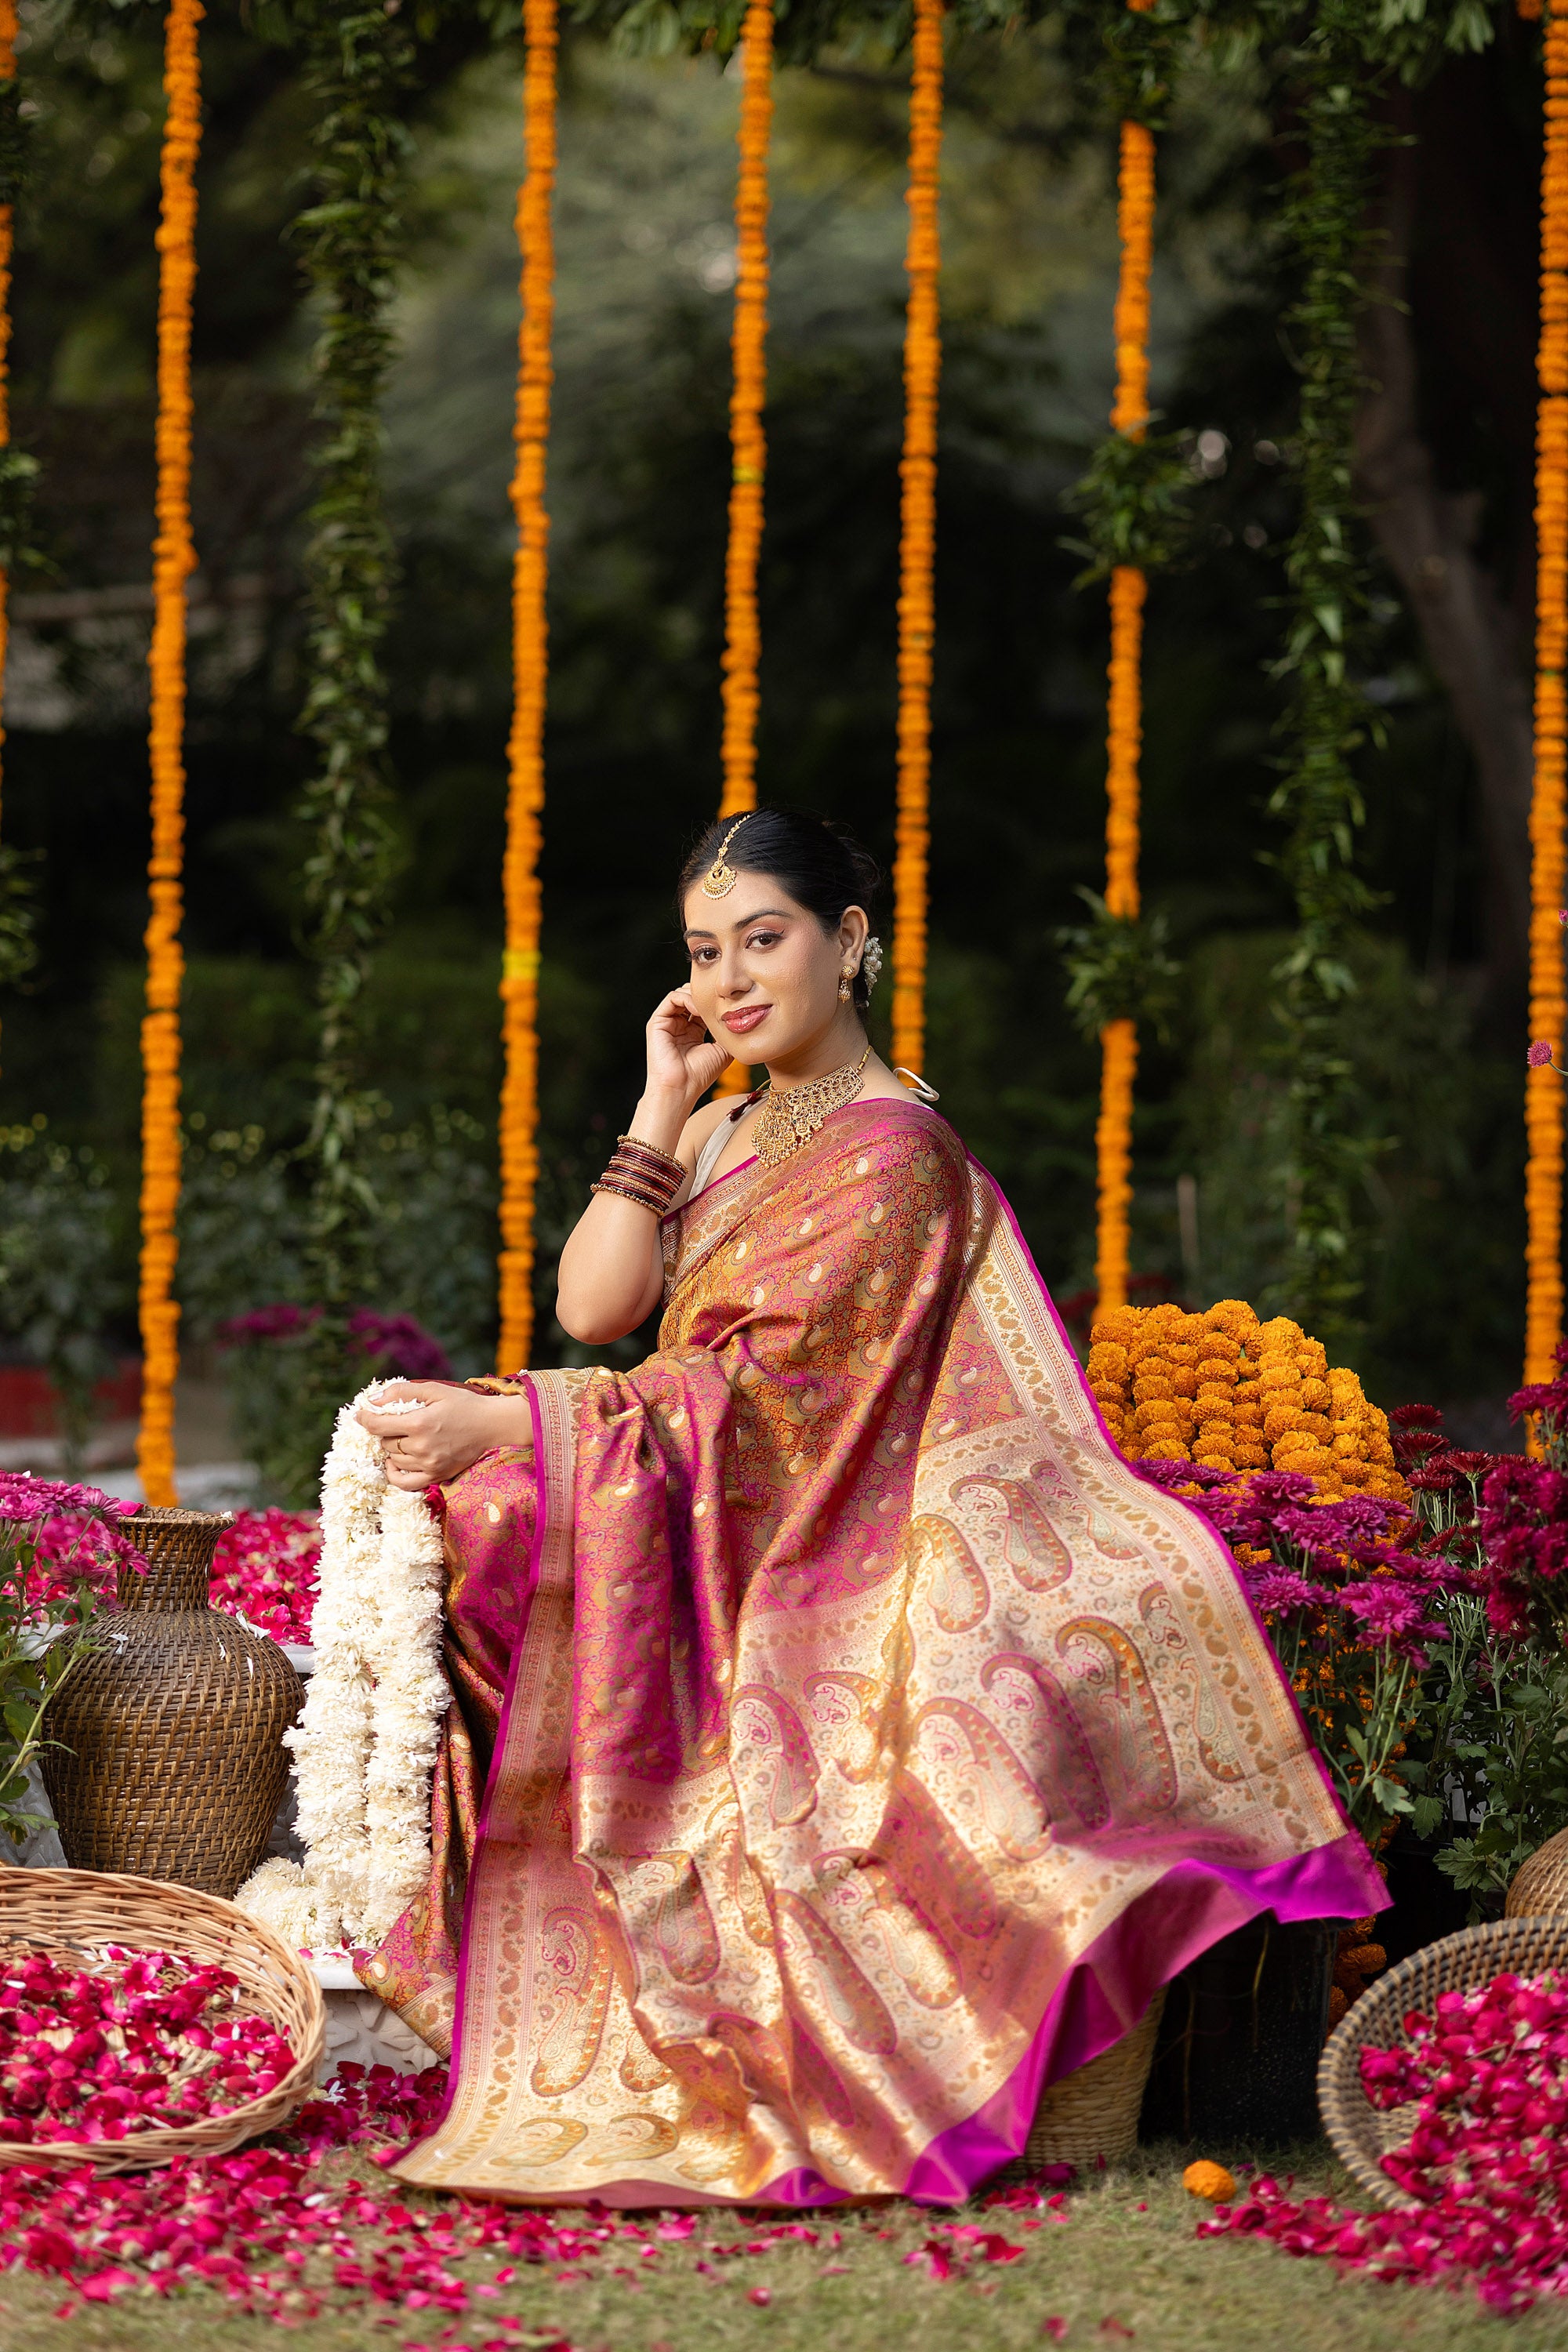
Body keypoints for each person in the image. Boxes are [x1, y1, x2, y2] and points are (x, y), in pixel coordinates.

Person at [354, 808, 1382, 2209]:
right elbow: (596, 1309)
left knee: (497, 1510)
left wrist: (509, 1420)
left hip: (818, 1532)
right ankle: (547, 1966)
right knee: (473, 1515)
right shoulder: (725, 1123)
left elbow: (780, 1405)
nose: (728, 982)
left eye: (762, 941)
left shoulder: (893, 1150)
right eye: (703, 953)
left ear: (848, 942)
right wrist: (662, 1102)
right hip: (699, 1494)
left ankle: (626, 1977)